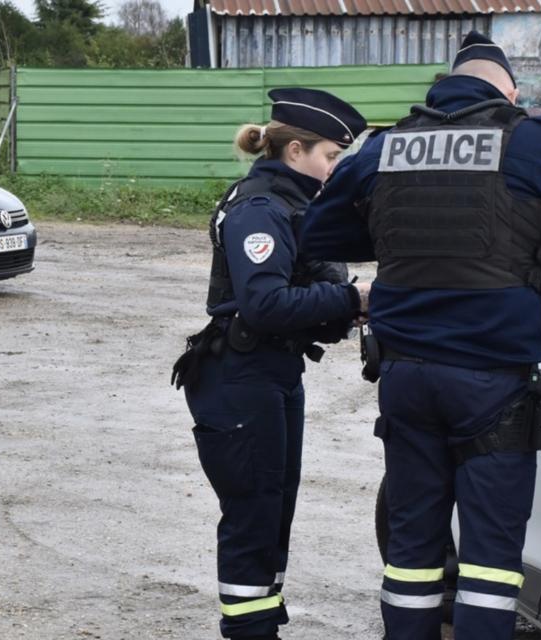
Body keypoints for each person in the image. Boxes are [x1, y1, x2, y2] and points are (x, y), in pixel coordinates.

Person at [301, 32, 541, 640]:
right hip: (493, 383)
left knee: (411, 553)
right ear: (507, 88)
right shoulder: (529, 141)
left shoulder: (386, 145)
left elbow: (317, 236)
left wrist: (398, 242)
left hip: (403, 377)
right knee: (488, 562)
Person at [171, 88, 370, 640]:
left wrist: (343, 303)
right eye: (330, 156)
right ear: (295, 150)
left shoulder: (299, 204)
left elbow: (311, 293)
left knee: (274, 507)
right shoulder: (260, 207)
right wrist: (355, 299)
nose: (334, 169)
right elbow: (264, 305)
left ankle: (261, 623)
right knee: (253, 513)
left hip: (274, 373)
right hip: (241, 376)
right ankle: (248, 630)